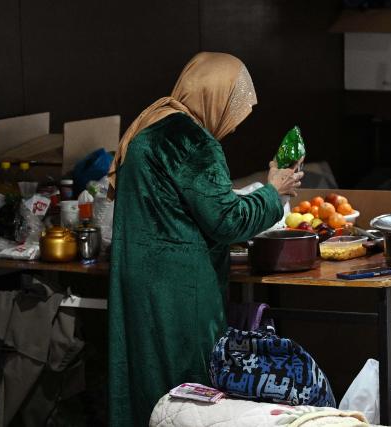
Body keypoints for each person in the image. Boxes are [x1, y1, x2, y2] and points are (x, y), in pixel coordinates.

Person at [107, 52, 303, 426]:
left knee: (145, 380)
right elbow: (227, 221)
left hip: (140, 280)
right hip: (179, 290)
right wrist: (273, 192)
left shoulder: (150, 126)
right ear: (216, 98)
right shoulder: (192, 142)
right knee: (186, 394)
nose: (231, 126)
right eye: (234, 110)